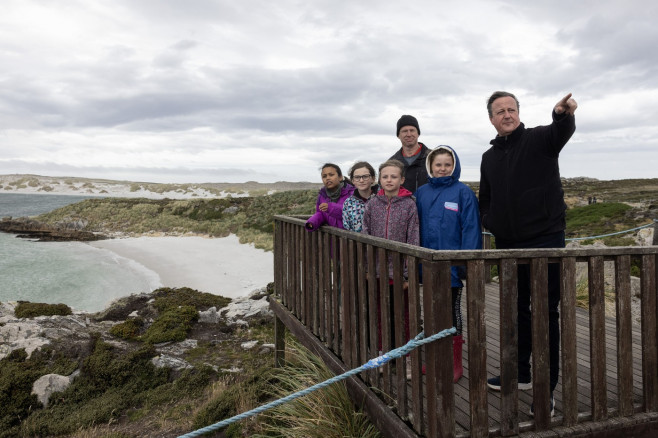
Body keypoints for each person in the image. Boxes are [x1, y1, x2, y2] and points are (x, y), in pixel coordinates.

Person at [479, 91, 577, 416]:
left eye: (511, 109)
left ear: (518, 113)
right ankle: (521, 373)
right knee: (517, 309)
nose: (506, 115)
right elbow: (486, 200)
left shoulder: (540, 139)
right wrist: (491, 222)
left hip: (546, 239)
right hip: (508, 245)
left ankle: (545, 390)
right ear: (491, 119)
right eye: (499, 111)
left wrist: (562, 115)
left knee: (546, 312)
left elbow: (560, 131)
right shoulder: (489, 157)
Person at [415, 145, 482, 382]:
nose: (442, 169)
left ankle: (454, 363)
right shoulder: (421, 192)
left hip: (452, 265)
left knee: (452, 312)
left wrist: (466, 263)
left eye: (447, 164)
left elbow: (472, 228)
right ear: (430, 167)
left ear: (454, 166)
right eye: (438, 164)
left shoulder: (463, 192)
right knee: (432, 313)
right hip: (427, 264)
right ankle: (434, 359)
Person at [362, 159, 419, 378]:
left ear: (402, 179)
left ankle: (406, 358)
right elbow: (365, 236)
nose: (389, 180)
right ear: (379, 179)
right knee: (379, 315)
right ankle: (383, 356)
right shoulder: (372, 204)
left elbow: (413, 238)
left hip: (399, 273)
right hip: (377, 272)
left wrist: (407, 273)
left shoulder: (409, 205)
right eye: (385, 176)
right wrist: (367, 267)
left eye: (393, 176)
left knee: (403, 316)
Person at [305, 163, 354, 231]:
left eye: (331, 175)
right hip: (332, 238)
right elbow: (320, 213)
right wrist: (312, 222)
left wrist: (331, 207)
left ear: (340, 177)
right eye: (324, 176)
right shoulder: (322, 195)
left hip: (350, 238)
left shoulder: (352, 193)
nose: (327, 178)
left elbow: (352, 214)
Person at [389, 115, 431, 194]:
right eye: (404, 131)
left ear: (418, 133)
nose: (409, 134)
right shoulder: (391, 163)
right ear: (398, 135)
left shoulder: (433, 158)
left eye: (412, 130)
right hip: (402, 206)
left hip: (428, 205)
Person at [342, 161, 378, 232]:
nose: (361, 180)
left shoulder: (382, 199)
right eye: (357, 177)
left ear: (373, 179)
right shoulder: (348, 203)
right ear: (353, 181)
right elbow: (347, 228)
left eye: (365, 176)